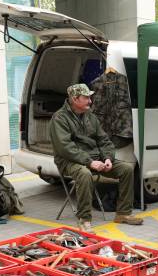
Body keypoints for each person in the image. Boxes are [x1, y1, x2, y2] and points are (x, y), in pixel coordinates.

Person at [50, 83, 143, 231]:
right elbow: (65, 148)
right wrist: (90, 162)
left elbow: (104, 140)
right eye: (86, 97)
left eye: (89, 97)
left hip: (94, 159)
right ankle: (84, 219)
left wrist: (107, 158)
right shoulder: (59, 118)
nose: (90, 101)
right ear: (75, 99)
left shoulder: (90, 116)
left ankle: (123, 213)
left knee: (126, 169)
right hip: (69, 161)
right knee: (84, 174)